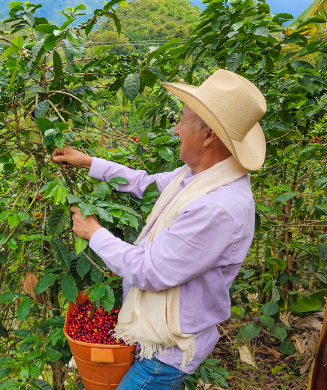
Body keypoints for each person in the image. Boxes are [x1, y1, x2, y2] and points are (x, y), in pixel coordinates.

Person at [52, 69, 267, 390]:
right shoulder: (202, 175)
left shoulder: (216, 207)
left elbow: (150, 270)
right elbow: (147, 184)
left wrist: (93, 233)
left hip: (166, 351)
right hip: (159, 333)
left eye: (182, 120)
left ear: (209, 135)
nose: (176, 129)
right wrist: (88, 162)